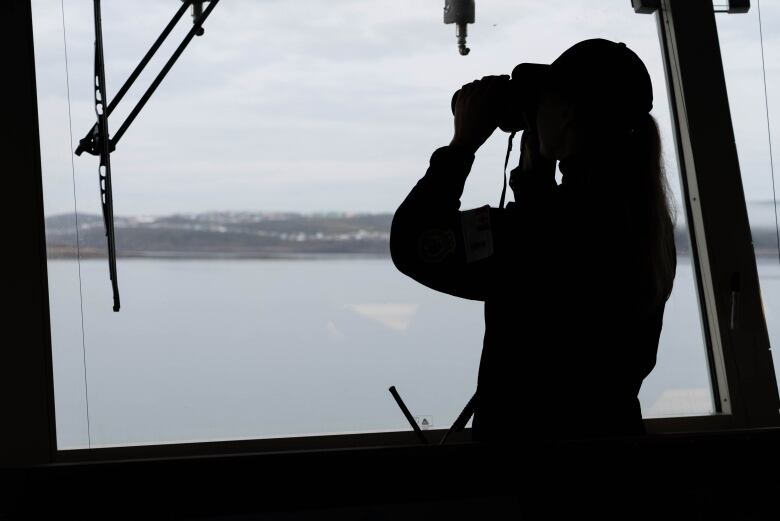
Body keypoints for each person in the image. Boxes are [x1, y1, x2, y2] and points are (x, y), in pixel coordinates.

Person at [389, 38, 676, 444]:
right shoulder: (647, 228)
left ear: (569, 119)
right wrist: (535, 175)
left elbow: (413, 243)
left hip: (532, 474)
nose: (534, 114)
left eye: (543, 103)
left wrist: (462, 146)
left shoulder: (540, 231)